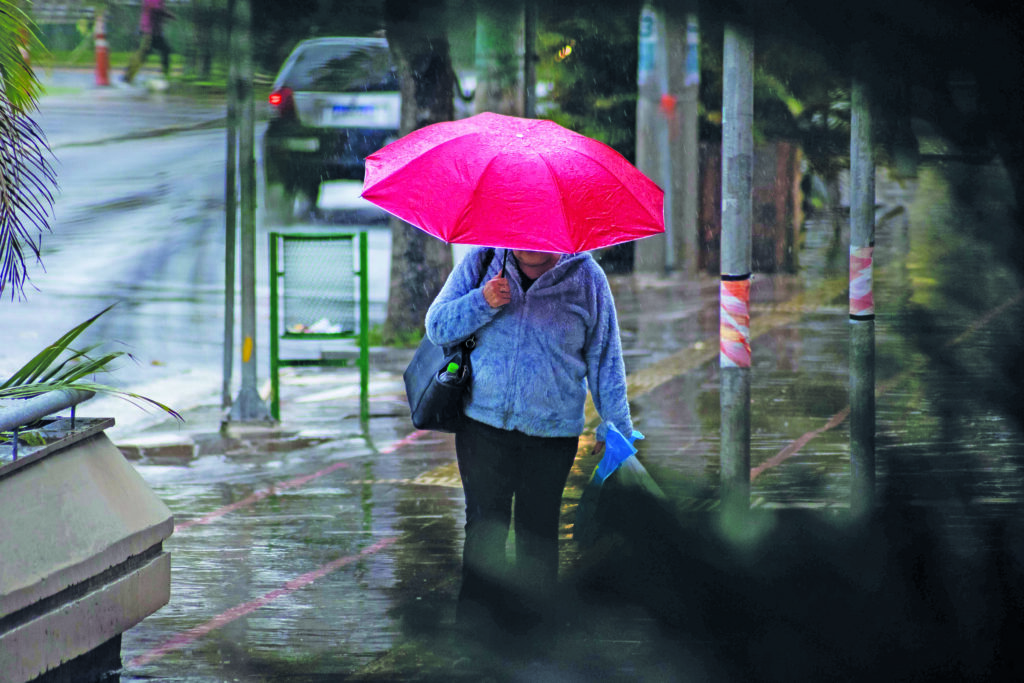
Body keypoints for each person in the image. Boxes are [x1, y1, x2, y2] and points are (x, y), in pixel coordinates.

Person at [424, 247, 634, 639]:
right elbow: (437, 326)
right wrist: (481, 302)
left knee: (537, 536)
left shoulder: (587, 279)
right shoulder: (483, 260)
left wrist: (616, 427)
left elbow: (606, 359)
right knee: (485, 529)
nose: (530, 244)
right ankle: (474, 641)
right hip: (483, 426)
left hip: (552, 435)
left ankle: (535, 642)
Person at [123, 0, 175, 85]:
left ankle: (166, 75)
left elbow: (158, 10)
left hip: (155, 31)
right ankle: (128, 77)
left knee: (163, 50)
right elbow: (156, 10)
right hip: (149, 31)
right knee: (143, 54)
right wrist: (170, 15)